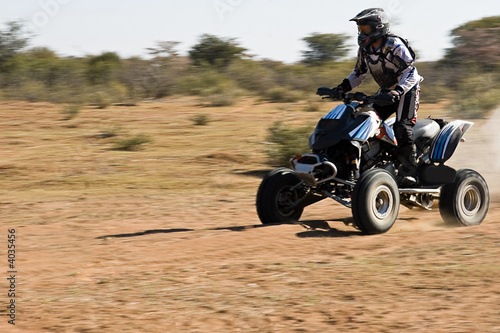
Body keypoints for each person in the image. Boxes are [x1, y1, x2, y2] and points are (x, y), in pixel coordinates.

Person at [317, 8, 423, 184]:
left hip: (407, 90)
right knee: (363, 122)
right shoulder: (365, 50)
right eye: (360, 29)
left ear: (378, 27)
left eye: (365, 29)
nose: (361, 33)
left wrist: (398, 91)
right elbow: (358, 73)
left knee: (402, 127)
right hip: (386, 92)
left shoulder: (394, 45)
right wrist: (341, 88)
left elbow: (411, 72)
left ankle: (411, 172)